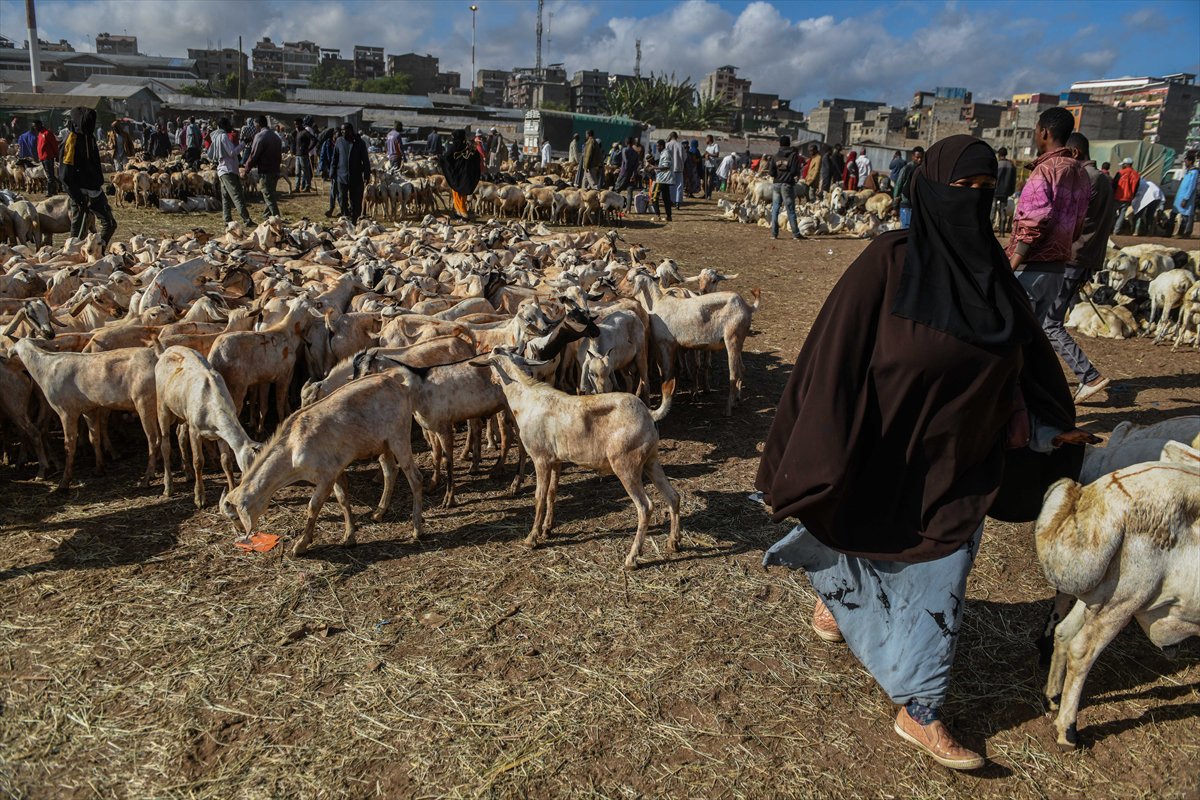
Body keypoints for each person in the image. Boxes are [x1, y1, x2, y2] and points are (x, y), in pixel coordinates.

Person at [757, 134, 1093, 773]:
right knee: (861, 530)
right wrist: (815, 444)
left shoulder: (995, 277)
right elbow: (834, 356)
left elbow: (1025, 368)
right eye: (958, 190)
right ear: (928, 189)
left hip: (958, 467)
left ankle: (920, 706)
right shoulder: (889, 262)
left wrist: (1044, 429)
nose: (970, 202)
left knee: (941, 575)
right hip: (883, 447)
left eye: (984, 190)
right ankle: (838, 596)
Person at [1036, 131, 1114, 404]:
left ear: (1075, 154)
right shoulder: (1103, 179)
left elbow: (1063, 221)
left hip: (1070, 259)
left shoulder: (1082, 179)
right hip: (1087, 260)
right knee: (1045, 320)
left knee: (1049, 323)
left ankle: (1089, 376)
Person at [1006, 107, 1090, 324]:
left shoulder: (1045, 170)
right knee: (1034, 337)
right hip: (1056, 271)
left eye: (1035, 131)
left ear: (1044, 132)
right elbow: (1078, 223)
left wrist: (1010, 266)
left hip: (1030, 268)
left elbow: (1033, 221)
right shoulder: (1080, 172)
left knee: (1014, 336)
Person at [60, 107, 117, 247]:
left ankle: (99, 248)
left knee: (110, 224)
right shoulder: (71, 141)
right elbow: (65, 174)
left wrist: (98, 181)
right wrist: (78, 198)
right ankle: (73, 259)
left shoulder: (90, 137)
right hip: (80, 192)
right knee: (78, 234)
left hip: (95, 189)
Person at [209, 117, 253, 227]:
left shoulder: (217, 136)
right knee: (237, 195)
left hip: (222, 170)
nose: (231, 127)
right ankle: (246, 219)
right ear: (224, 126)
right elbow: (232, 152)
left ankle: (227, 219)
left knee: (226, 196)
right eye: (229, 124)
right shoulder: (223, 136)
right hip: (228, 170)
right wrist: (243, 144)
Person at [243, 116, 282, 220]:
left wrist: (247, 169)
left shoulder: (260, 136)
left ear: (258, 124)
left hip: (265, 170)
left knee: (267, 194)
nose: (254, 126)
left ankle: (276, 217)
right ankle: (266, 215)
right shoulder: (276, 137)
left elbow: (254, 154)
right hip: (275, 169)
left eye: (255, 124)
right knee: (271, 194)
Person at [765, 135, 804, 240]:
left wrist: (779, 173)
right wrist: (789, 175)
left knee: (775, 208)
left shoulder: (775, 156)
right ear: (789, 144)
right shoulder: (793, 156)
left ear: (780, 144)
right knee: (790, 209)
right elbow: (794, 171)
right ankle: (796, 234)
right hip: (787, 184)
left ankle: (774, 234)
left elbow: (771, 172)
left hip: (777, 184)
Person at [331, 122, 371, 223]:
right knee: (342, 199)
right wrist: (332, 171)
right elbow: (335, 158)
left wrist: (367, 174)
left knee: (356, 201)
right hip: (342, 176)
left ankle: (354, 219)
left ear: (351, 130)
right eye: (342, 130)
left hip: (356, 177)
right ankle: (345, 216)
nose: (343, 132)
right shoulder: (339, 141)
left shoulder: (359, 143)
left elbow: (365, 160)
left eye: (345, 130)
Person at [440, 128, 482, 221]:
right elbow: (477, 158)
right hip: (466, 174)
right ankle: (460, 212)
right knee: (462, 193)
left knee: (456, 192)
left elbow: (446, 157)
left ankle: (462, 212)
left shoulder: (455, 146)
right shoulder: (468, 146)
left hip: (458, 175)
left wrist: (440, 158)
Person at [893, 146, 924, 227]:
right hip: (906, 203)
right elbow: (898, 186)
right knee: (906, 229)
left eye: (921, 158)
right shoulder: (907, 168)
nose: (919, 160)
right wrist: (895, 206)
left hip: (917, 204)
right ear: (913, 156)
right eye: (917, 157)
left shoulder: (923, 170)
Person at [1172, 154, 1198, 238]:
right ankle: (1168, 232)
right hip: (1179, 197)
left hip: (1186, 199)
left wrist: (1185, 199)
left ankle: (1181, 233)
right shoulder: (1187, 171)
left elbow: (1191, 187)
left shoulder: (1194, 172)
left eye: (1186, 161)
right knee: (1173, 215)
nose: (1185, 162)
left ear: (1190, 161)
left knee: (1184, 217)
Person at [1112, 157, 1140, 234]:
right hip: (1128, 198)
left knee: (1112, 213)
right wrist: (1132, 197)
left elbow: (1114, 185)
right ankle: (1116, 231)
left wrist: (1112, 194)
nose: (1122, 166)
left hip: (1117, 197)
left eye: (1123, 164)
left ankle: (1108, 229)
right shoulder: (1136, 175)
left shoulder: (1120, 173)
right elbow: (1136, 188)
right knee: (1122, 215)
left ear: (1126, 164)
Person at [993, 147, 1016, 233]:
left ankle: (990, 230)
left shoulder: (997, 164)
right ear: (1006, 154)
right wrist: (1011, 191)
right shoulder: (1011, 165)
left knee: (993, 210)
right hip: (1005, 192)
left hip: (995, 191)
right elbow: (1013, 180)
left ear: (999, 154)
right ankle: (1002, 232)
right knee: (1003, 210)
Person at [650, 138, 674, 221]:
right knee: (666, 198)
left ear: (662, 146)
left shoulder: (665, 154)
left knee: (653, 197)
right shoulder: (664, 153)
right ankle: (669, 216)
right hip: (664, 179)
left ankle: (657, 215)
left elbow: (666, 166)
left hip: (662, 179)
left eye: (658, 146)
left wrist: (654, 167)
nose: (657, 148)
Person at [614, 136, 639, 209]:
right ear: (632, 143)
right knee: (630, 191)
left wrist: (625, 170)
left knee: (617, 189)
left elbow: (626, 161)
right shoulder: (635, 153)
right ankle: (628, 209)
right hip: (632, 174)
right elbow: (636, 166)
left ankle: (614, 205)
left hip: (624, 173)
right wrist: (633, 175)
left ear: (626, 142)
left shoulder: (624, 150)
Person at [37, 120, 60, 196]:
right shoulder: (40, 134)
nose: (34, 128)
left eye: (35, 126)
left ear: (39, 125)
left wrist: (57, 155)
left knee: (50, 175)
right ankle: (54, 189)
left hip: (48, 157)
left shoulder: (47, 133)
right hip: (42, 158)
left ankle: (50, 191)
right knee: (49, 175)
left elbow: (54, 145)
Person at [293, 119, 316, 191]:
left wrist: (309, 148)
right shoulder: (298, 132)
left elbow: (314, 140)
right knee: (297, 172)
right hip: (297, 155)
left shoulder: (305, 132)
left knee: (305, 171)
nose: (295, 126)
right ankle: (297, 188)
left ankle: (307, 186)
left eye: (297, 124)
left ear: (301, 124)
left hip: (303, 155)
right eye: (295, 124)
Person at [665, 132, 686, 207]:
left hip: (669, 168)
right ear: (677, 137)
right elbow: (684, 157)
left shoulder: (667, 145)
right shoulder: (680, 145)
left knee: (670, 185)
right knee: (679, 185)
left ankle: (671, 200)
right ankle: (678, 202)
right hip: (679, 167)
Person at [703, 134, 720, 199]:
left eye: (706, 139)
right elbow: (705, 154)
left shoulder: (716, 145)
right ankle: (706, 194)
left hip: (712, 166)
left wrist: (709, 155)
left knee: (710, 181)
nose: (705, 140)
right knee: (704, 181)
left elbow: (717, 155)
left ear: (709, 139)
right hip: (706, 165)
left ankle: (709, 195)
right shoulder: (707, 147)